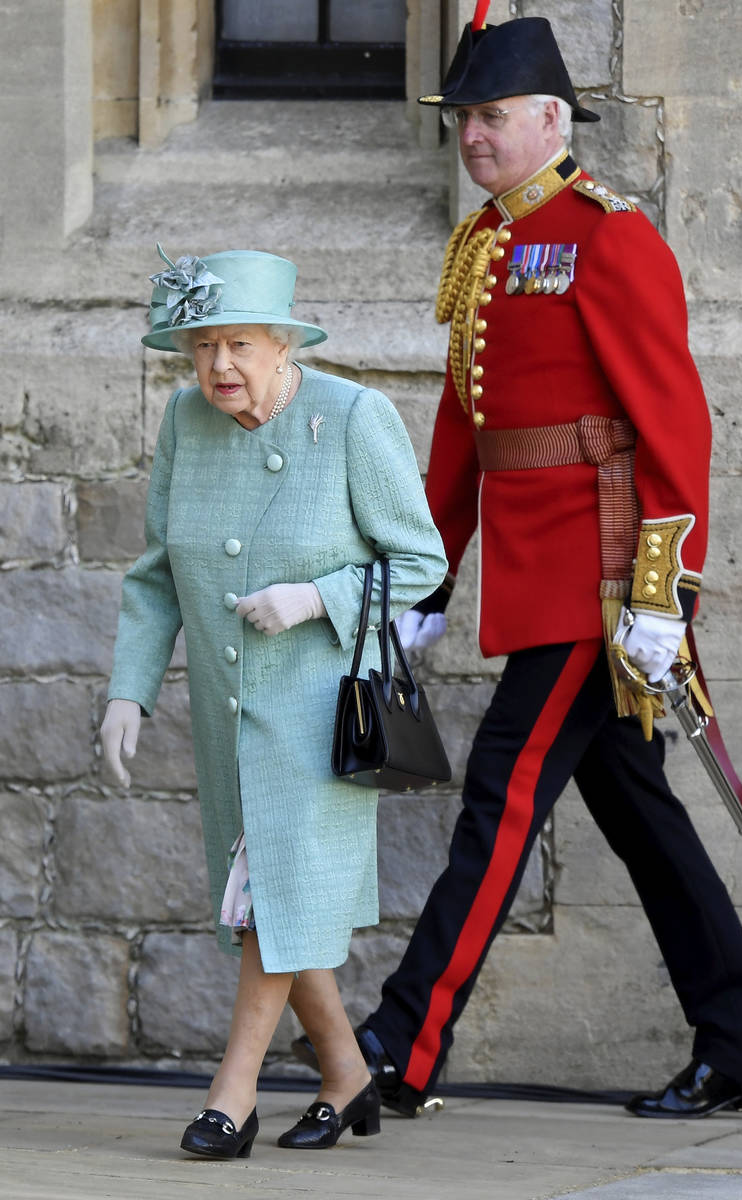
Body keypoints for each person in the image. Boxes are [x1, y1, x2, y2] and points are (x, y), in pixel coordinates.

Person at [291, 8, 742, 1120]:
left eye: (491, 115)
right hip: (535, 574)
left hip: (598, 583)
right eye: (462, 117)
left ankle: (401, 1045)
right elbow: (468, 429)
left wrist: (661, 596)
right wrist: (425, 577)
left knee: (499, 794)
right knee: (638, 816)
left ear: (552, 120)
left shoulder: (608, 234)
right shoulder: (485, 242)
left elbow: (672, 427)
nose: (472, 135)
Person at [100, 245, 447, 1156]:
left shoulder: (352, 417)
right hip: (226, 717)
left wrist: (313, 599)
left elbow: (421, 560)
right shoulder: (185, 420)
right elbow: (154, 578)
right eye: (202, 346)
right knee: (277, 900)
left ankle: (234, 1091)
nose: (220, 366)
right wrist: (127, 692)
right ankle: (348, 1074)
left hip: (319, 711)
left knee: (265, 896)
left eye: (241, 345)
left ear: (284, 345)